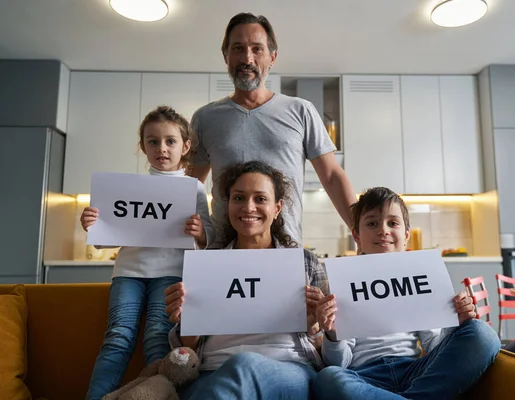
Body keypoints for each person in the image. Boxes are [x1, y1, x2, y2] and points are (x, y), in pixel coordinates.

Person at [314, 187, 501, 400]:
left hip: (416, 372)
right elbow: (339, 363)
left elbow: (433, 346)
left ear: (406, 235)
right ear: (356, 235)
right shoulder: (342, 282)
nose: (383, 230)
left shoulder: (419, 274)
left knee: (483, 333)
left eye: (392, 223)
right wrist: (333, 334)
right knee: (328, 378)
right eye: (372, 223)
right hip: (364, 376)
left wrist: (453, 322)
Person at [164, 161, 328, 399]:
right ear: (228, 205)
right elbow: (188, 348)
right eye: (238, 198)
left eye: (260, 199)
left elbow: (333, 350)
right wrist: (188, 321)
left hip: (289, 369)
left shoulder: (305, 263)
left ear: (277, 208)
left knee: (244, 365)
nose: (248, 207)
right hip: (213, 371)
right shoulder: (206, 265)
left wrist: (315, 326)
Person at [81, 106, 214, 400]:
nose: (162, 148)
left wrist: (200, 231)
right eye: (153, 141)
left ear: (186, 147)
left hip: (171, 274)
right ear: (143, 146)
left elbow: (209, 239)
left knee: (158, 338)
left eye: (170, 141)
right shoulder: (126, 188)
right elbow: (104, 241)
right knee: (117, 338)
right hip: (128, 272)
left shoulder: (194, 189)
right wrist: (93, 223)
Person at [190, 12, 356, 246]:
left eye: (257, 49)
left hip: (286, 249)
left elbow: (332, 176)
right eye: (238, 48)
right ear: (226, 56)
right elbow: (189, 186)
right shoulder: (205, 118)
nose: (247, 58)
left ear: (272, 57)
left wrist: (358, 230)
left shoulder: (301, 111)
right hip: (222, 253)